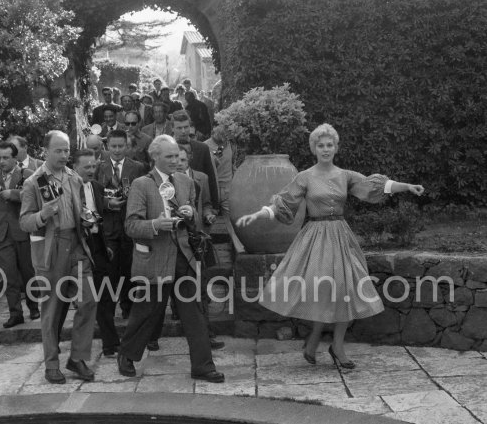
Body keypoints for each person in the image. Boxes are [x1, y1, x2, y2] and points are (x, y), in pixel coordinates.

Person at [236, 123, 425, 369]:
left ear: (336, 148)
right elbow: (284, 203)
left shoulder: (345, 175)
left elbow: (374, 186)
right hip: (314, 239)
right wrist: (257, 215)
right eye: (321, 145)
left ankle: (336, 346)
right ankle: (314, 339)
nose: (325, 149)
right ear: (314, 149)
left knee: (345, 290)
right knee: (323, 291)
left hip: (341, 237)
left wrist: (406, 187)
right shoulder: (304, 177)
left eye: (330, 145)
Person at [116, 135, 225, 383]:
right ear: (155, 157)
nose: (176, 160)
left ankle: (203, 366)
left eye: (177, 155)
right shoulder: (142, 185)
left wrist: (190, 216)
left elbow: (195, 223)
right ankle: (127, 353)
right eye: (169, 156)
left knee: (194, 313)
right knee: (147, 311)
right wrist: (155, 224)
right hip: (155, 257)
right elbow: (131, 225)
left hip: (183, 256)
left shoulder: (187, 183)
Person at [20, 130, 97, 384]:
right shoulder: (34, 182)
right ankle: (51, 364)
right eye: (59, 150)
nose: (65, 155)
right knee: (51, 310)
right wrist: (42, 215)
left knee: (88, 300)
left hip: (77, 244)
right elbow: (24, 222)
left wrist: (85, 217)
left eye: (67, 150)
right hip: (51, 250)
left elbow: (78, 209)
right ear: (46, 151)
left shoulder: (73, 177)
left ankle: (77, 358)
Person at [0, 141, 40, 328]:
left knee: (28, 272)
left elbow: (38, 199)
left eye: (6, 157)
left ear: (15, 158)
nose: (1, 161)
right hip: (1, 234)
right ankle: (15, 314)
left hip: (22, 230)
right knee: (9, 275)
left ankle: (33, 306)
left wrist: (13, 194)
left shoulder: (28, 175)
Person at [95, 129, 145, 322]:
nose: (116, 150)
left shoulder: (138, 167)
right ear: (107, 147)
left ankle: (128, 306)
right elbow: (94, 196)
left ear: (127, 146)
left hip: (129, 224)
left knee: (129, 267)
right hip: (108, 226)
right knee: (110, 269)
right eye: (113, 146)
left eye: (120, 146)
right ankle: (107, 310)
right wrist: (108, 204)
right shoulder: (100, 168)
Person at [71, 149, 116, 356]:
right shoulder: (68, 189)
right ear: (75, 168)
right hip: (79, 247)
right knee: (87, 298)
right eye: (86, 167)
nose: (91, 170)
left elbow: (99, 216)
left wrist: (103, 242)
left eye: (93, 166)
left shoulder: (97, 187)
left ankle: (110, 343)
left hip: (97, 244)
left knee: (106, 294)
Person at [172, 110, 219, 209]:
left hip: (198, 205)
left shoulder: (202, 148)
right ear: (172, 128)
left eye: (186, 127)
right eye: (179, 128)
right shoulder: (164, 148)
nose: (183, 131)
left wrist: (214, 207)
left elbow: (211, 178)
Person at [204, 127, 233, 216]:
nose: (225, 135)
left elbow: (233, 164)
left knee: (230, 220)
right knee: (211, 220)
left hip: (228, 188)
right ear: (213, 132)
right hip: (212, 189)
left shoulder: (230, 144)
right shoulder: (204, 146)